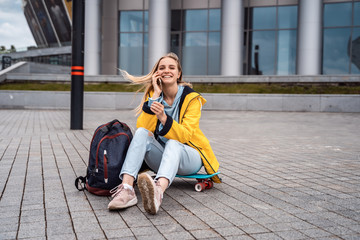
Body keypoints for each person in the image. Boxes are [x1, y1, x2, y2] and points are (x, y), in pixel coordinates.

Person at [108, 53, 220, 214]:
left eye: (171, 67)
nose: (166, 70)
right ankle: (127, 190)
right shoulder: (153, 96)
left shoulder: (192, 99)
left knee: (174, 142)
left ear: (179, 73)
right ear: (156, 73)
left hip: (189, 157)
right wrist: (154, 96)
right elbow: (144, 129)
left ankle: (158, 191)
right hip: (163, 157)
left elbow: (185, 136)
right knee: (140, 132)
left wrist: (163, 117)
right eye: (162, 68)